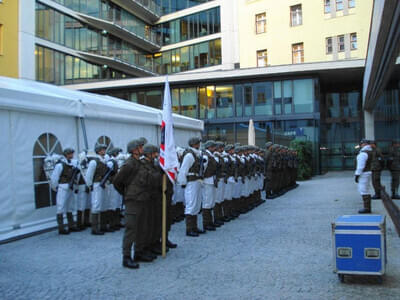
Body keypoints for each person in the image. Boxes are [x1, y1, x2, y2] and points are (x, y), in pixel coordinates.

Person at [113, 139, 146, 269]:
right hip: (133, 200)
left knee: (140, 227)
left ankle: (138, 252)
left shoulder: (139, 162)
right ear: (134, 150)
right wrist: (127, 194)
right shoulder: (129, 164)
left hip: (141, 198)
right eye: (140, 147)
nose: (142, 149)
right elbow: (117, 181)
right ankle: (126, 257)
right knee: (131, 229)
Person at [177, 137, 204, 237]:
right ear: (194, 144)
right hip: (191, 182)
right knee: (191, 204)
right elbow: (183, 170)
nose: (199, 144)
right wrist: (183, 182)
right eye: (197, 143)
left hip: (197, 181)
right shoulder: (189, 155)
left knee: (196, 204)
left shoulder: (197, 154)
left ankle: (194, 227)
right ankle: (189, 229)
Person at [51, 148, 80, 235]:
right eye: (70, 154)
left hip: (70, 187)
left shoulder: (72, 163)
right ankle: (61, 227)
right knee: (61, 206)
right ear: (66, 154)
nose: (72, 155)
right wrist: (55, 187)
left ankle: (71, 225)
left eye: (72, 153)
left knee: (70, 206)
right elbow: (54, 178)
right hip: (63, 187)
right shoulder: (60, 165)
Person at [85, 144, 108, 235]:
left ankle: (103, 226)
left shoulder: (104, 160)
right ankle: (94, 228)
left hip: (104, 184)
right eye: (102, 150)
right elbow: (89, 175)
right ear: (98, 151)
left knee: (104, 204)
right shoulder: (94, 162)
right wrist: (90, 185)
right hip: (97, 184)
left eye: (104, 150)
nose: (104, 151)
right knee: (96, 204)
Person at [201, 140, 218, 231]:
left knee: (211, 202)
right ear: (209, 147)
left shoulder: (210, 156)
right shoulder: (206, 157)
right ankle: (206, 223)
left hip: (211, 180)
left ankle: (210, 222)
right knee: (207, 202)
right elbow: (203, 169)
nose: (214, 148)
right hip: (207, 180)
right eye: (213, 147)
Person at [355, 139, 373, 213]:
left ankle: (367, 208)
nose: (360, 145)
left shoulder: (363, 153)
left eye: (361, 144)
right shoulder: (370, 151)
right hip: (368, 172)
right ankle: (367, 207)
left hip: (363, 173)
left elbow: (360, 166)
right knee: (367, 189)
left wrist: (357, 175)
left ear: (364, 144)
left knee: (363, 190)